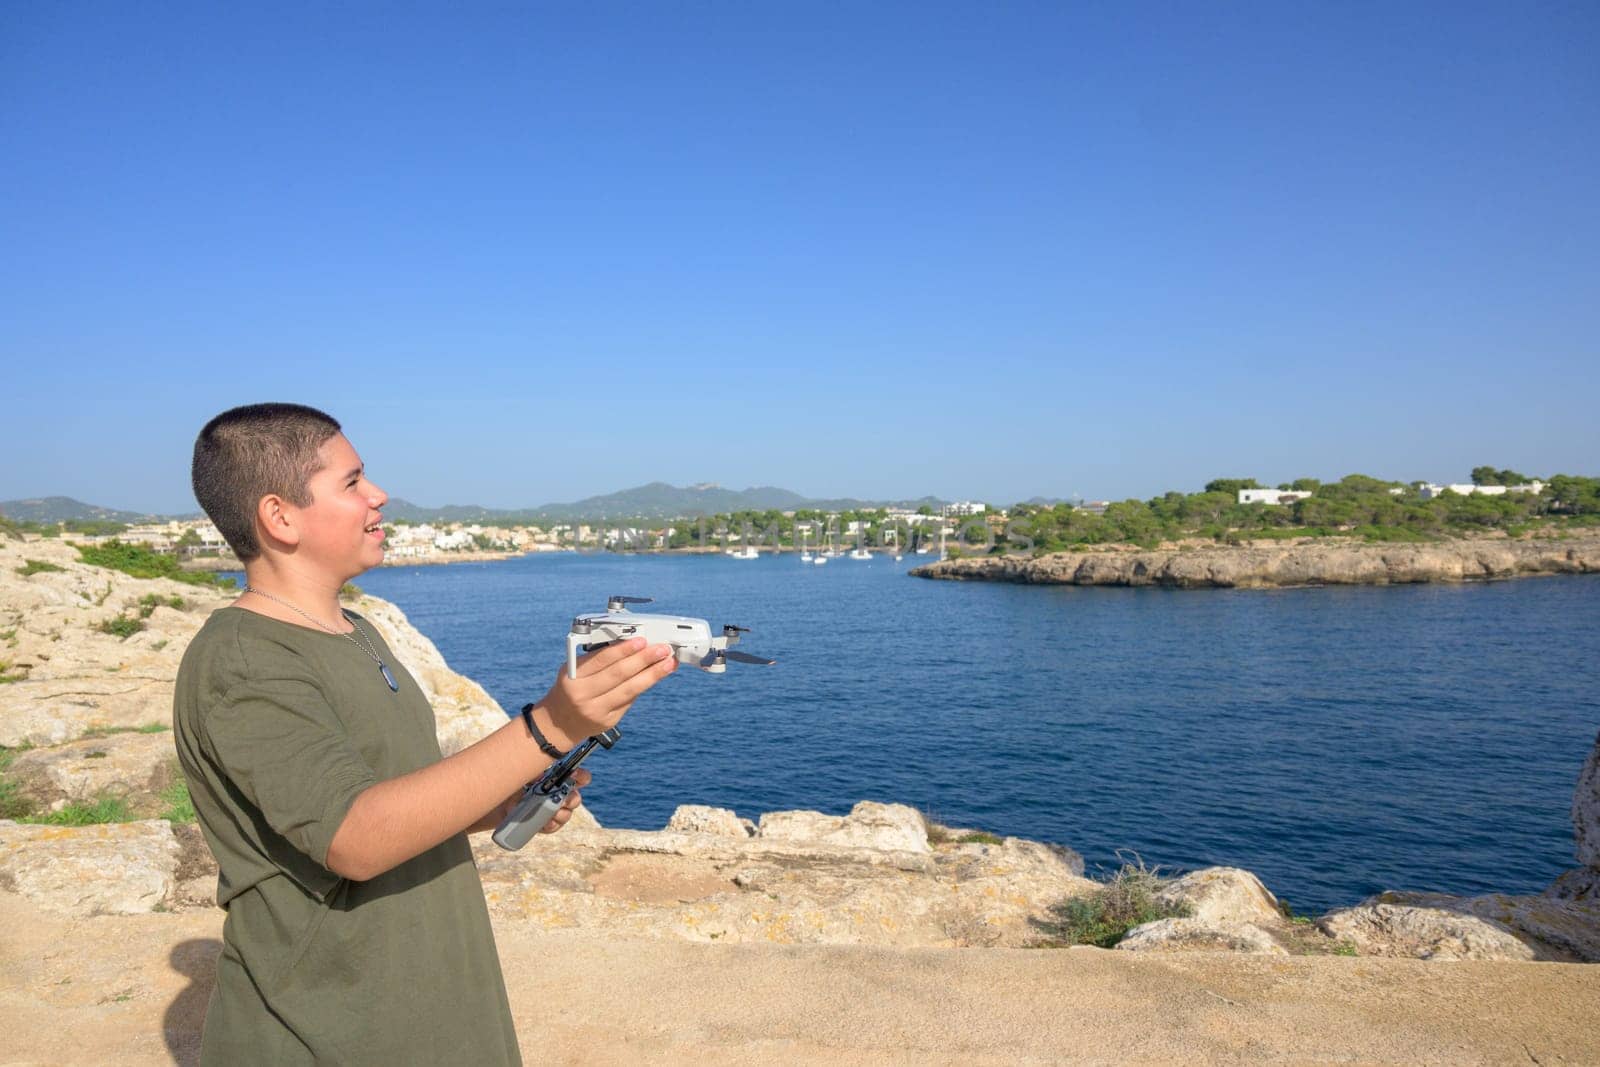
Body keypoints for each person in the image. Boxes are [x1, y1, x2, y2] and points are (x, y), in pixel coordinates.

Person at [172, 402, 676, 1065]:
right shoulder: (243, 660)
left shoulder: (358, 631)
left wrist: (495, 804)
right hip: (329, 1035)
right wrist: (551, 724)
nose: (378, 494)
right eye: (353, 482)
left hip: (426, 1020)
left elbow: (388, 799)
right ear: (280, 516)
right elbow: (353, 836)